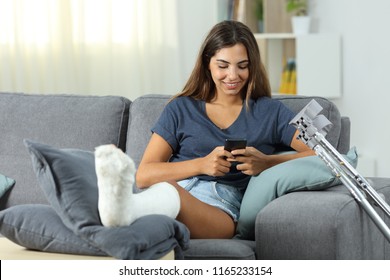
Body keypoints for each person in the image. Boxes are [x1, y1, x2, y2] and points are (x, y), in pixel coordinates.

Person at [135, 20, 314, 239]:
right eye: (223, 65)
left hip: (220, 205)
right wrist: (202, 164)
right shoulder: (181, 108)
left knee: (167, 201)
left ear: (252, 65)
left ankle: (129, 210)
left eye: (242, 65)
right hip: (175, 188)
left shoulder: (270, 112)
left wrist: (267, 162)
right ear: (207, 64)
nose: (233, 76)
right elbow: (144, 175)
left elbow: (323, 154)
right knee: (164, 199)